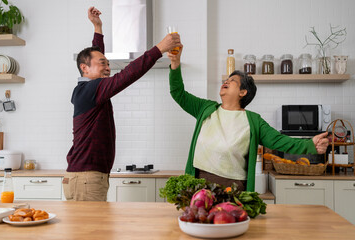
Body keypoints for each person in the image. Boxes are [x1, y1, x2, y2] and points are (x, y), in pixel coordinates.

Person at [167, 47, 329, 192]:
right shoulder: (206, 108)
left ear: (243, 92)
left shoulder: (253, 121)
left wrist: (310, 144)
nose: (226, 81)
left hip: (231, 187)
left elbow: (280, 141)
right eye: (226, 80)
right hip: (198, 184)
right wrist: (175, 64)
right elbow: (178, 93)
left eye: (232, 81)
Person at [63, 7, 182, 201]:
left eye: (108, 63)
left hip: (87, 176)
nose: (108, 67)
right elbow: (127, 76)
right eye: (103, 63)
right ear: (84, 68)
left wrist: (98, 28)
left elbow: (95, 56)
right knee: (91, 231)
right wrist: (159, 48)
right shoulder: (91, 90)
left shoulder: (88, 89)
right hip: (86, 178)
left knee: (94, 231)